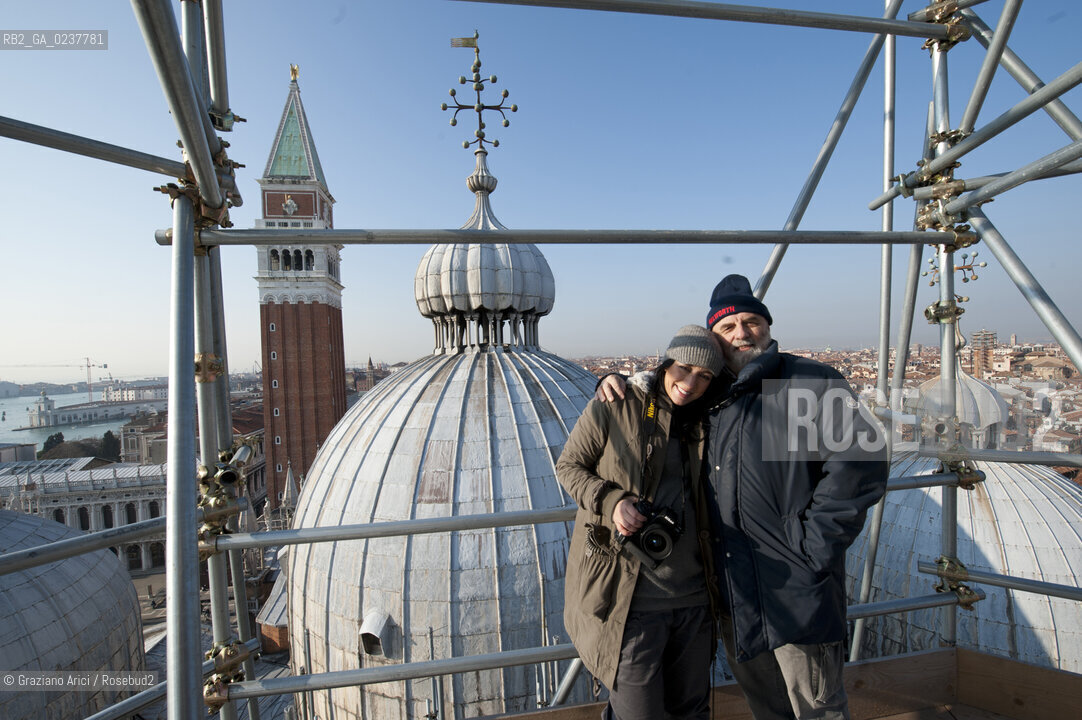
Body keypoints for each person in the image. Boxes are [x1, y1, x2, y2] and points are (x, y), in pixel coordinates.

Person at [597, 274, 889, 720]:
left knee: (816, 709)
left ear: (768, 327)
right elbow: (658, 391)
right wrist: (614, 379)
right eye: (727, 328)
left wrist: (813, 548)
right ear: (714, 340)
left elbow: (861, 465)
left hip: (795, 591)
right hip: (736, 599)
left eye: (751, 322)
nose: (741, 334)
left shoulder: (806, 382)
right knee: (769, 709)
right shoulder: (706, 397)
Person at [557, 325, 726, 720]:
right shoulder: (617, 402)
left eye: (704, 377)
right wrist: (612, 502)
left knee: (691, 711)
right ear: (667, 363)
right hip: (630, 600)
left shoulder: (711, 419)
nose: (690, 383)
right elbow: (568, 467)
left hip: (695, 599)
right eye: (684, 368)